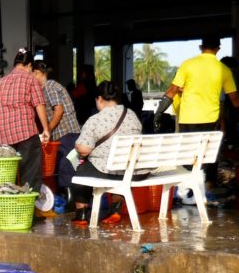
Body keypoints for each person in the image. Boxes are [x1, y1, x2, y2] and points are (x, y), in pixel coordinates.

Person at [156, 36, 239, 188]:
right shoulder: (224, 70)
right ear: (218, 49)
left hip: (188, 118)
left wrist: (159, 112)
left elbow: (172, 90)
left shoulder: (187, 64)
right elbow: (234, 98)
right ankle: (209, 186)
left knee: (188, 155)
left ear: (201, 47)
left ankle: (187, 188)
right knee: (210, 154)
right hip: (211, 119)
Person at [69, 81, 143, 223]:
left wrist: (80, 149)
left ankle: (82, 213)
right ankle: (115, 209)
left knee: (81, 171)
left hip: (105, 169)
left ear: (99, 99)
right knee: (117, 171)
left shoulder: (95, 119)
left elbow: (84, 149)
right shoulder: (132, 116)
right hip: (129, 169)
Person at [0, 48, 51, 191]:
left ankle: (10, 208)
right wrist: (46, 129)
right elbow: (39, 104)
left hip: (5, 137)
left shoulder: (2, 82)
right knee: (30, 175)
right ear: (29, 66)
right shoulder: (30, 79)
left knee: (8, 177)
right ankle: (29, 209)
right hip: (26, 133)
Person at [32, 61, 81, 190]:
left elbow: (58, 110)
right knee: (68, 165)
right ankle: (70, 199)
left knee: (67, 166)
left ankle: (71, 200)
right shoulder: (45, 89)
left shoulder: (49, 86)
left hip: (66, 133)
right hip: (67, 134)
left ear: (37, 73)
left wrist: (46, 130)